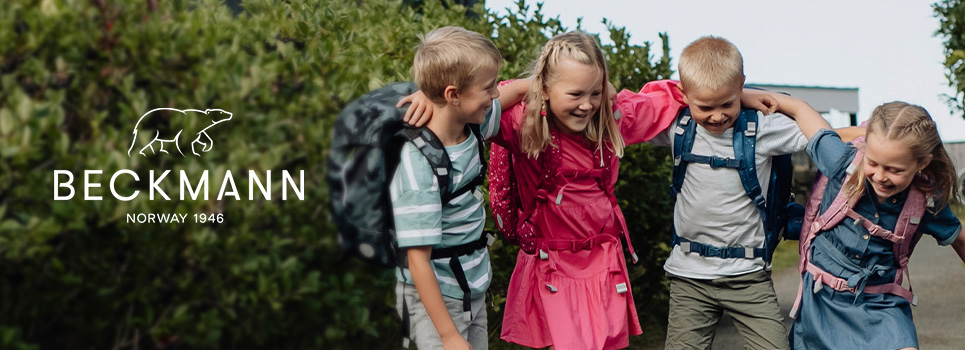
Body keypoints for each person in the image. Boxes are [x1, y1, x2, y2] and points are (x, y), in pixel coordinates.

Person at [488, 32, 776, 350]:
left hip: (602, 264)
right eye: (575, 94)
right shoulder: (523, 122)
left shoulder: (614, 119)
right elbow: (476, 111)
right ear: (545, 89)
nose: (586, 105)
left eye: (596, 93)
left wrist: (741, 96)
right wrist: (524, 87)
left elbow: (676, 95)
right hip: (551, 264)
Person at [644, 36, 808, 350]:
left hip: (748, 276)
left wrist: (774, 100)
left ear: (741, 87)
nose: (717, 116)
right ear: (684, 94)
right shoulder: (677, 126)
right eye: (705, 106)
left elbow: (819, 135)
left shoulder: (762, 128)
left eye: (727, 103)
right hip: (688, 276)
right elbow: (631, 108)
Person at [776, 96, 965, 350]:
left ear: (922, 163)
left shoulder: (925, 199)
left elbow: (959, 238)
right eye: (873, 163)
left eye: (895, 170)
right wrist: (740, 93)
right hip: (822, 299)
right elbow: (801, 110)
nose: (880, 176)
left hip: (882, 303)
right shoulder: (843, 163)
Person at [390, 26, 501, 350]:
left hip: (471, 288)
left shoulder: (474, 125)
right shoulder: (418, 165)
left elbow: (520, 90)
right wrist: (449, 336)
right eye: (489, 86)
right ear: (453, 95)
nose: (495, 94)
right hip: (433, 300)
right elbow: (418, 261)